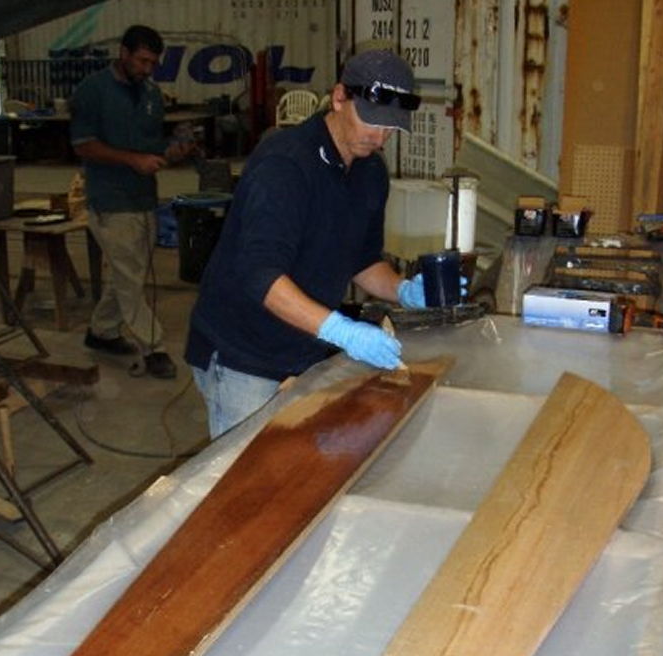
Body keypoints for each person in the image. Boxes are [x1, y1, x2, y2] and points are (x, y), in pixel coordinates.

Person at [185, 48, 464, 438]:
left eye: (391, 128)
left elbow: (361, 260)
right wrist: (341, 331)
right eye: (371, 120)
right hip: (243, 352)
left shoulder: (370, 174)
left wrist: (403, 290)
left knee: (294, 466)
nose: (379, 136)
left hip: (305, 347)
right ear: (338, 98)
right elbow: (258, 274)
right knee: (245, 481)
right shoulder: (285, 165)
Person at [70, 24, 194, 379]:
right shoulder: (92, 91)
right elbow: (83, 144)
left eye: (153, 63)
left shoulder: (151, 94)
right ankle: (154, 348)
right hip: (109, 201)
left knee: (131, 275)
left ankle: (101, 332)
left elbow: (152, 146)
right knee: (129, 276)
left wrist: (174, 151)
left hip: (144, 199)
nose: (147, 69)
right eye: (142, 61)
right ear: (123, 53)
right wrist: (132, 160)